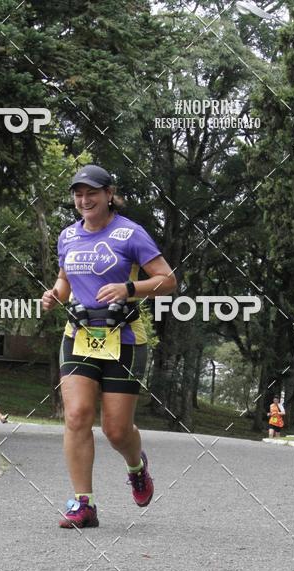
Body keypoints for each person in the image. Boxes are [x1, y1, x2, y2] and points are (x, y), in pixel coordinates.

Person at [41, 164, 177, 528]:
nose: (84, 200)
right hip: (80, 335)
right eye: (78, 194)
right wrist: (55, 295)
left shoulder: (130, 233)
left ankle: (137, 466)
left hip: (124, 338)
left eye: (92, 193)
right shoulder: (68, 236)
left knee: (116, 430)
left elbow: (168, 280)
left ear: (109, 194)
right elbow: (64, 279)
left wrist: (129, 289)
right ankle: (83, 504)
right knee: (77, 416)